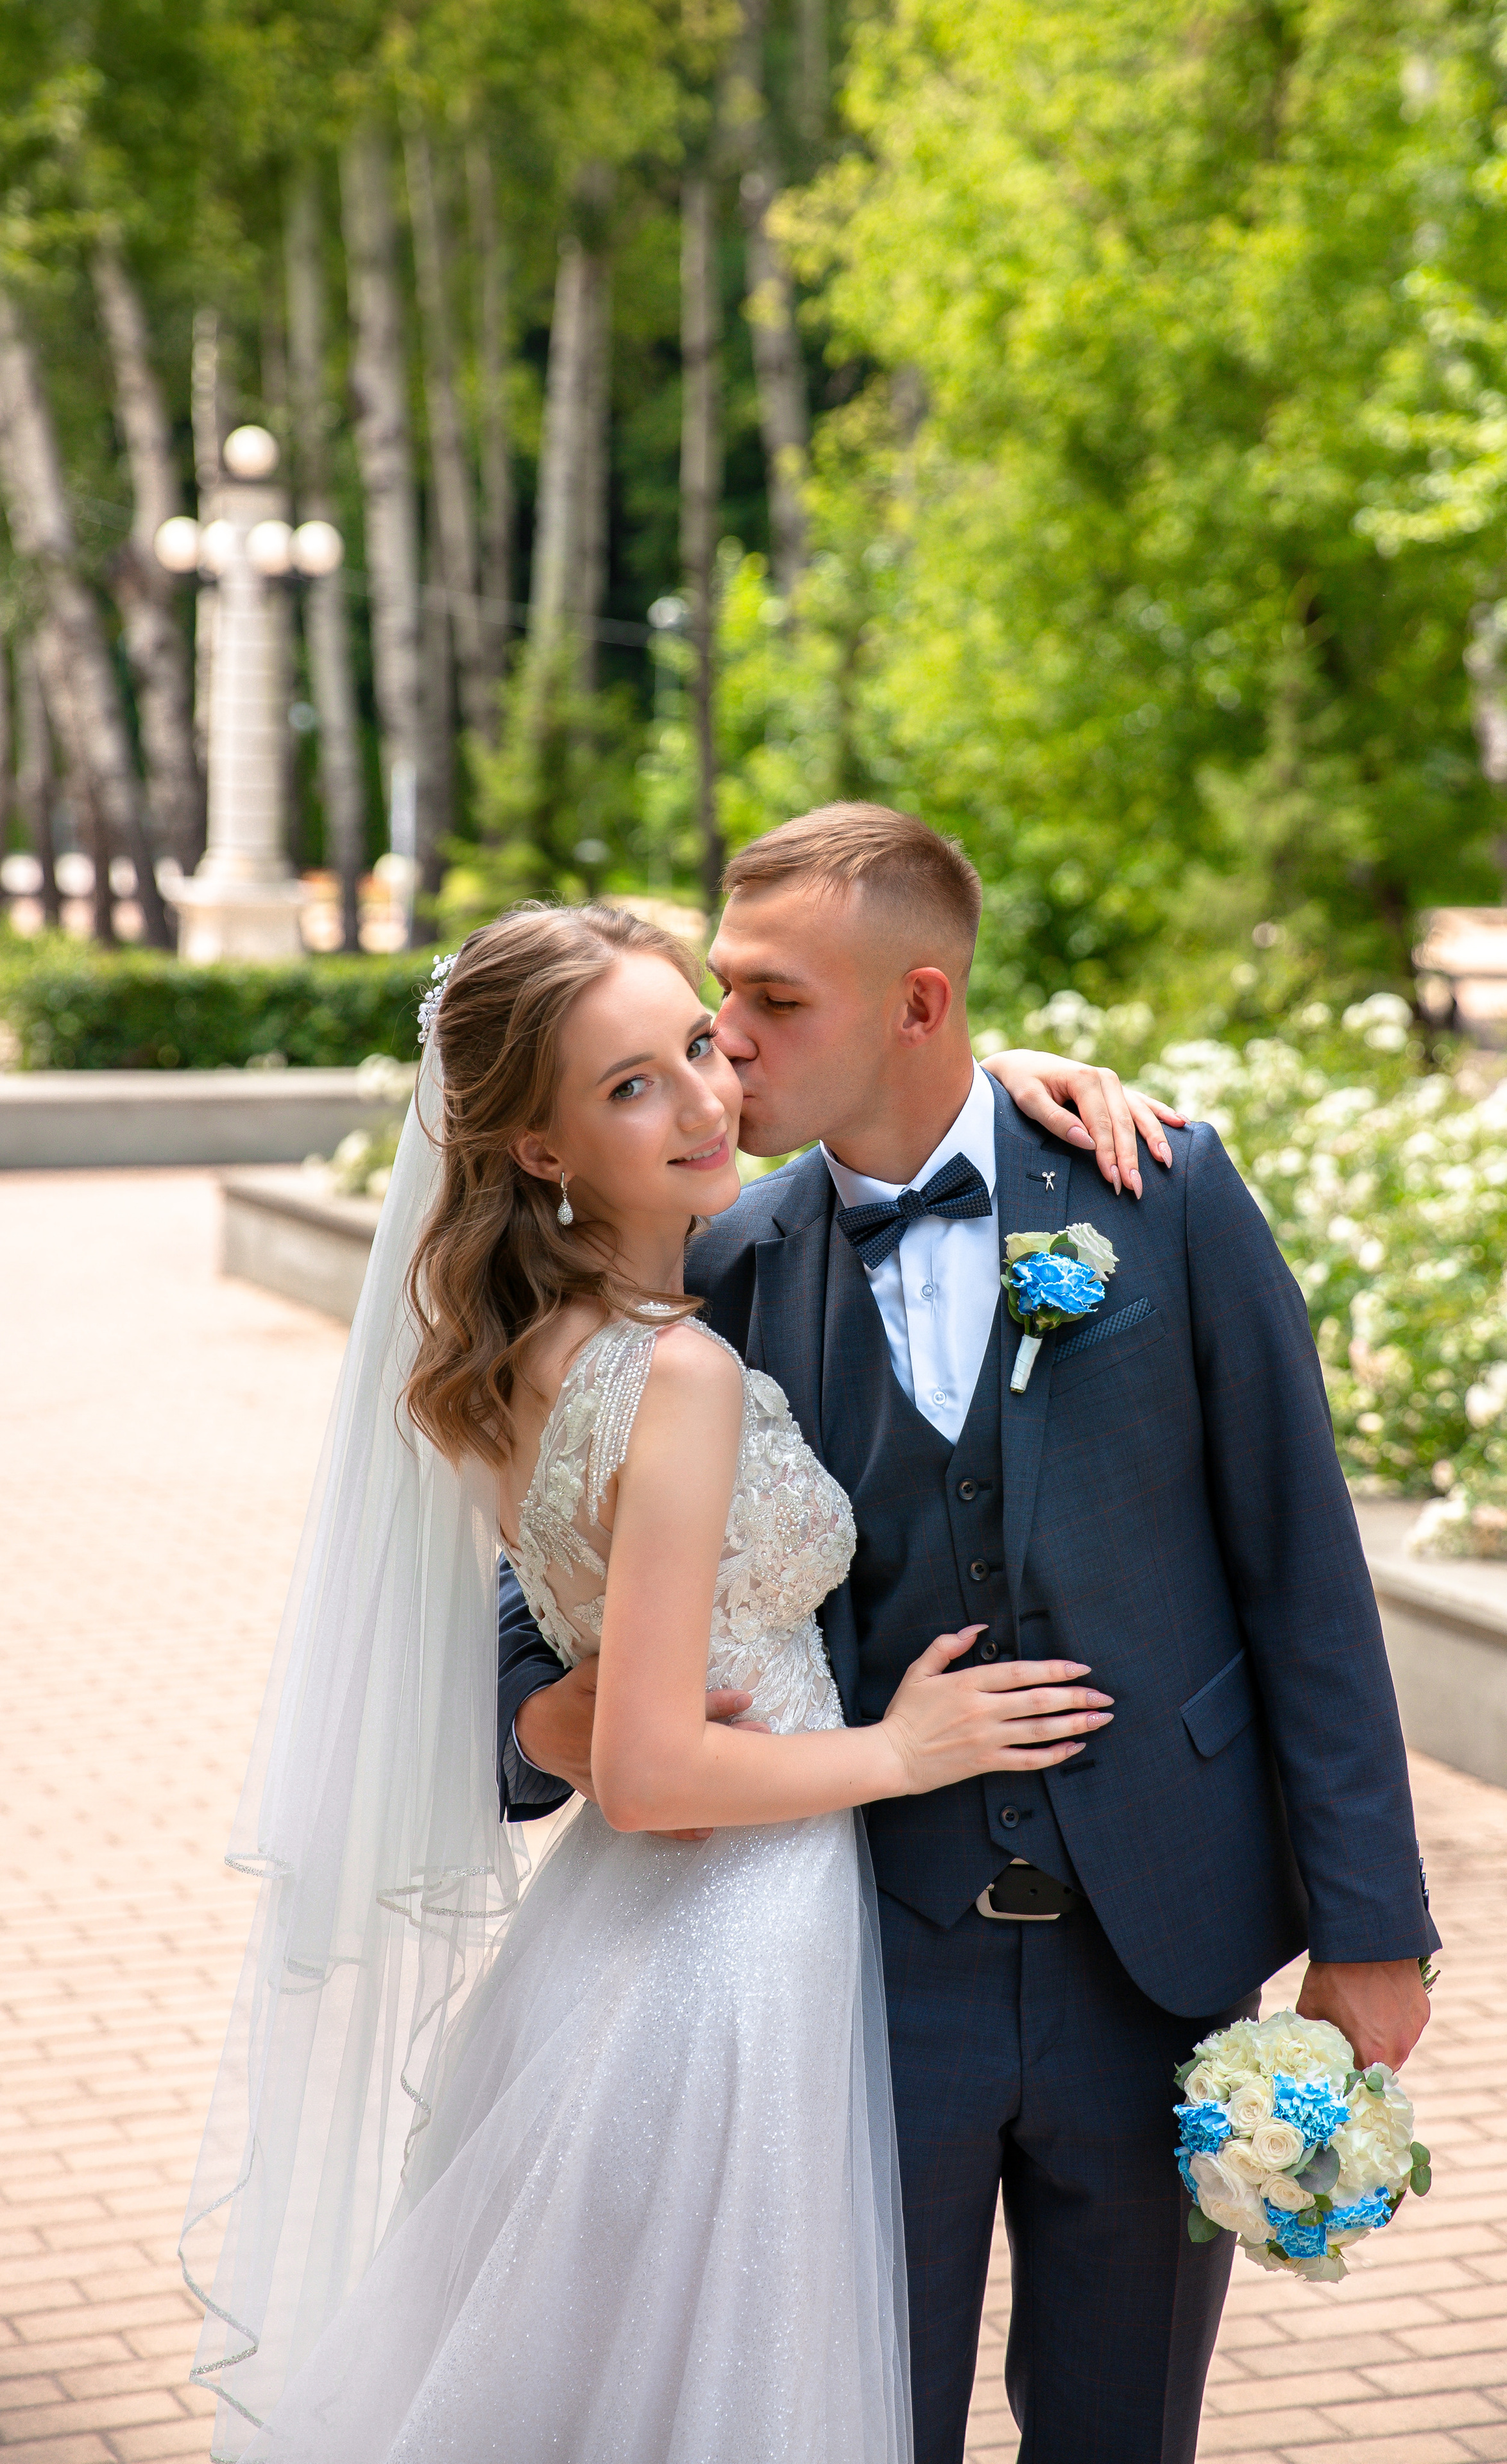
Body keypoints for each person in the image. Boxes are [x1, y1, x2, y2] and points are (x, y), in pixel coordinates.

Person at [501, 803, 1438, 2464]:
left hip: (1163, 1956)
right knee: (864, 2422)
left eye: (777, 1001)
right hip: (862, 1962)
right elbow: (540, 1582)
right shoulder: (714, 1264)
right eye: (724, 991)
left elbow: (1304, 1564)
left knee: (1126, 2430)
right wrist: (567, 1726)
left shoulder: (1157, 1190)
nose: (725, 1037)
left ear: (922, 1007)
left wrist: (1374, 1924)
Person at [182, 900, 1119, 2462]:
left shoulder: (518, 1350)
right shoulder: (671, 1374)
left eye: (697, 1042)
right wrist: (909, 1748)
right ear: (538, 1149)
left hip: (618, 1938)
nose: (702, 1100)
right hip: (733, 1944)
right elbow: (652, 1771)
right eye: (630, 1086)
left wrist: (984, 1075)